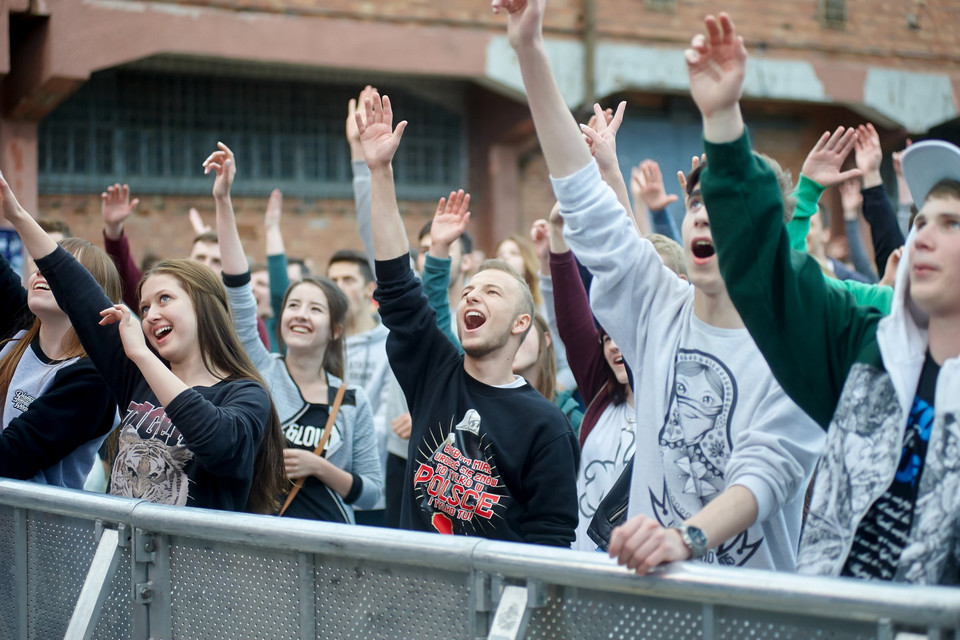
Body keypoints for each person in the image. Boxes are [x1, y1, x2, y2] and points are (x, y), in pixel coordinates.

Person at [495, 0, 823, 571]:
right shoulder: (658, 309)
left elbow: (765, 473)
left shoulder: (797, 347)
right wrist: (529, 48)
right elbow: (582, 196)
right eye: (698, 203)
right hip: (653, 607)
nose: (700, 216)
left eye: (723, 207)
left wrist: (682, 539)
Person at [690, 12, 960, 584]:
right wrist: (722, 122)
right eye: (924, 219)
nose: (925, 236)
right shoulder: (868, 339)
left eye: (953, 223)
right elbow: (771, 280)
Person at [357, 91, 578, 546]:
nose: (472, 297)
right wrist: (380, 174)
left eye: (492, 291)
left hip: (491, 608)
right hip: (414, 601)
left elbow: (551, 541)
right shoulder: (435, 373)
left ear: (521, 324)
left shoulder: (547, 425)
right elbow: (399, 289)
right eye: (470, 291)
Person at [0, 171, 285, 513]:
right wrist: (16, 214)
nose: (149, 315)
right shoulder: (137, 377)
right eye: (145, 306)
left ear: (205, 307)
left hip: (195, 564)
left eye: (165, 299)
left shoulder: (246, 393)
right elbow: (78, 292)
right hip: (124, 561)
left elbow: (217, 443)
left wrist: (142, 357)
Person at [206, 142, 383, 523]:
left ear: (336, 329)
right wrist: (223, 201)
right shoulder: (260, 369)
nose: (301, 315)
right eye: (294, 306)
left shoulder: (353, 400)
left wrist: (320, 468)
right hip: (265, 543)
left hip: (333, 547)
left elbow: (372, 494)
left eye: (315, 309)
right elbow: (237, 290)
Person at [0, 235, 121, 488]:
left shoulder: (92, 379)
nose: (42, 273)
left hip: (37, 525)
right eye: (40, 267)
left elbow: (12, 457)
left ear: (89, 296)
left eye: (56, 271)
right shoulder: (21, 327)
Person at [100, 184, 271, 348]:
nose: (206, 265)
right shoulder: (163, 304)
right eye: (200, 257)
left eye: (217, 261)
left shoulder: (246, 321)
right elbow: (131, 281)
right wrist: (113, 229)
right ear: (189, 260)